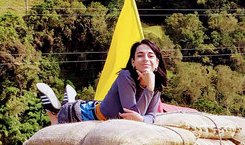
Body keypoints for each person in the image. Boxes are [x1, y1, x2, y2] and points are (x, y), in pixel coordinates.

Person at [36, 39, 167, 124]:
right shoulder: (126, 76)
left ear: (157, 63)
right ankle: (57, 108)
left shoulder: (156, 87)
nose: (145, 59)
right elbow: (131, 116)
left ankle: (68, 101)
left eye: (150, 56)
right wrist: (149, 88)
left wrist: (143, 119)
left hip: (103, 107)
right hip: (87, 114)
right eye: (140, 55)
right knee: (56, 120)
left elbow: (150, 117)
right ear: (133, 62)